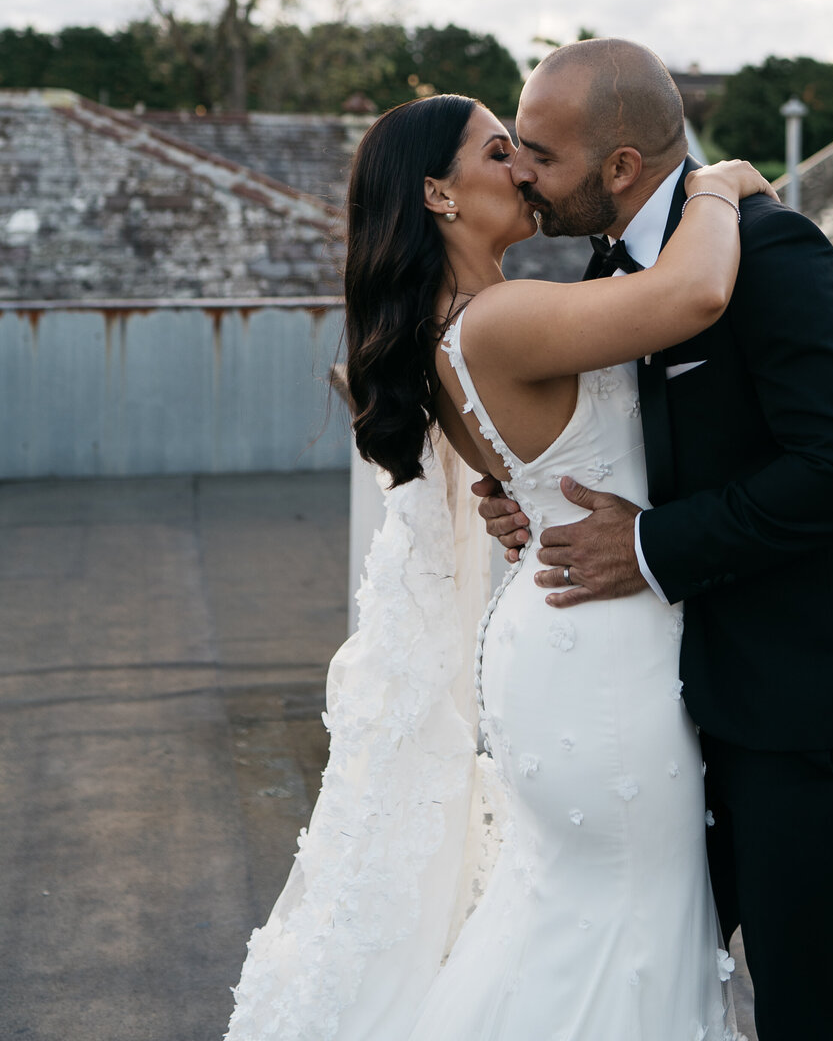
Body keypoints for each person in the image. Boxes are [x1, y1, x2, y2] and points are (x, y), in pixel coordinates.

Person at [224, 86, 773, 1041]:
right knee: (622, 929)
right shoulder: (500, 322)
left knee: (579, 922)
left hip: (562, 631)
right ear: (438, 195)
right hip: (600, 655)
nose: (523, 168)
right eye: (497, 153)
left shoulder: (456, 331)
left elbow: (525, 482)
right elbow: (693, 293)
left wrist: (513, 501)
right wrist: (718, 187)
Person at [475, 38, 833, 1041]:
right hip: (681, 696)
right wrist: (519, 495)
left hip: (814, 696)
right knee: (663, 963)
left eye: (541, 157)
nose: (524, 177)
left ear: (622, 167)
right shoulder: (612, 268)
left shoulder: (773, 252)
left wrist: (648, 546)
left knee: (803, 986)